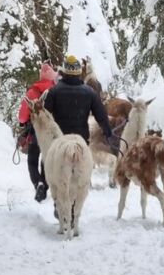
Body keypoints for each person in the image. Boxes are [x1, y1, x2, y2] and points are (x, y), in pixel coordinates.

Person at [44, 54, 116, 145]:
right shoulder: (90, 92)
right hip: (81, 142)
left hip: (59, 141)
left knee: (47, 159)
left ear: (64, 72)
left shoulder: (53, 91)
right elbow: (101, 115)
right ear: (79, 73)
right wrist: (108, 131)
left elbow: (44, 116)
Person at [18, 62, 59, 202]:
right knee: (46, 161)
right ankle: (45, 184)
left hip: (35, 131)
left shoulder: (32, 92)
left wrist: (23, 122)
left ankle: (37, 184)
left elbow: (23, 116)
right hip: (52, 133)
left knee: (32, 160)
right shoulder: (56, 91)